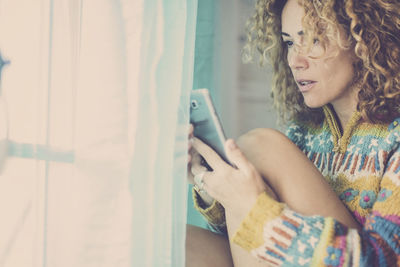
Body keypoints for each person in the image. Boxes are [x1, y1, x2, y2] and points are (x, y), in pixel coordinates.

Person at [186, 0, 400, 266]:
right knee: (183, 245)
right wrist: (210, 181)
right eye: (289, 42)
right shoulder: (305, 132)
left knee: (261, 146)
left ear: (363, 41)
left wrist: (257, 212)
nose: (295, 61)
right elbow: (246, 243)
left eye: (313, 39)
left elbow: (383, 261)